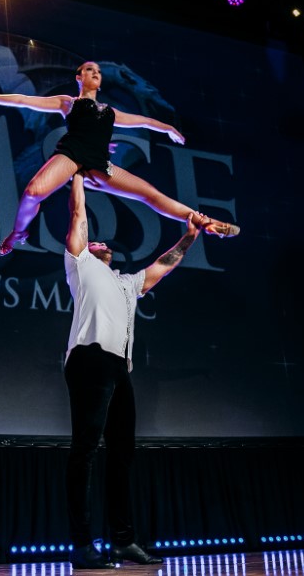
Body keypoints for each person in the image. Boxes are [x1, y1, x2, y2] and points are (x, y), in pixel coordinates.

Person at [62, 170, 201, 569]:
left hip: (119, 367)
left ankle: (123, 541)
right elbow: (78, 215)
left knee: (121, 454)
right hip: (89, 359)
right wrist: (77, 173)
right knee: (86, 451)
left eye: (105, 243)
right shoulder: (81, 264)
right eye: (95, 241)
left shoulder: (127, 283)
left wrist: (190, 235)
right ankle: (82, 545)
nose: (101, 243)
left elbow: (163, 265)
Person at [0, 61, 240, 255]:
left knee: (150, 194)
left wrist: (167, 128)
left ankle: (202, 220)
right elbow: (24, 100)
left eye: (97, 71)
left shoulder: (110, 112)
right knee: (33, 192)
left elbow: (143, 121)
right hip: (71, 154)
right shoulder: (68, 102)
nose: (95, 72)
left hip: (99, 163)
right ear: (79, 78)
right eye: (88, 70)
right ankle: (19, 233)